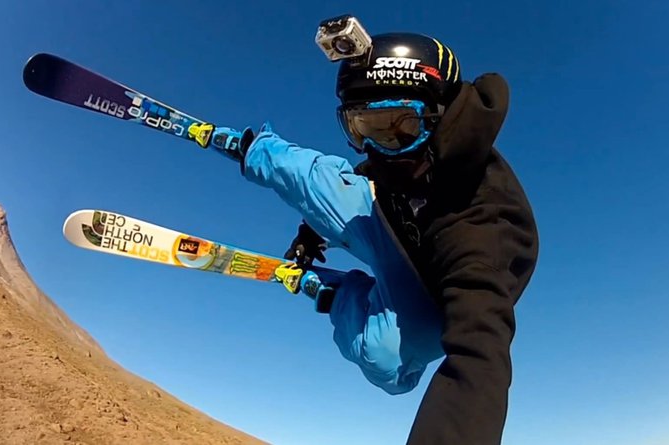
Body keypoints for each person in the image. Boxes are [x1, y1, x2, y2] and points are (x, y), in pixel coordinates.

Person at [195, 32, 539, 445]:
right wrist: (312, 231)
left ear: (439, 117)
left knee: (388, 364)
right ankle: (242, 146)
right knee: (314, 179)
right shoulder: (400, 161)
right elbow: (368, 169)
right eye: (363, 128)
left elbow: (481, 357)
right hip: (390, 226)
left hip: (429, 292)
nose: (379, 148)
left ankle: (334, 293)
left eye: (400, 129)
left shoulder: (482, 230)